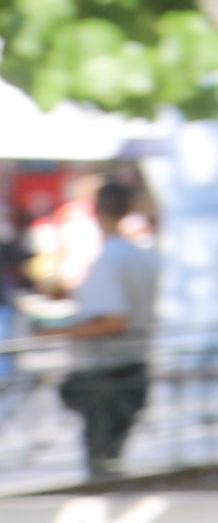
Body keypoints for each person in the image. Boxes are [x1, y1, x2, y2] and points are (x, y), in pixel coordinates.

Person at [30, 175, 162, 479]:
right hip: (131, 366)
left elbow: (113, 320)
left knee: (103, 463)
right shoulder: (141, 255)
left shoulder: (110, 258)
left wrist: (56, 333)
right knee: (110, 459)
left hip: (109, 374)